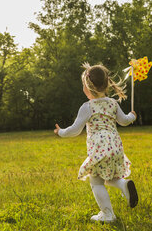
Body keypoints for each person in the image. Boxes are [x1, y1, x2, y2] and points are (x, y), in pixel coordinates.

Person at [54, 64, 138, 223]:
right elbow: (124, 121)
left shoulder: (88, 107)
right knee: (108, 175)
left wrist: (61, 132)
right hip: (115, 147)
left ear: (87, 87)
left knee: (96, 182)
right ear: (106, 84)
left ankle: (107, 215)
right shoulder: (113, 103)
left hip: (100, 148)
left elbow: (75, 130)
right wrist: (132, 116)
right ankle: (124, 184)